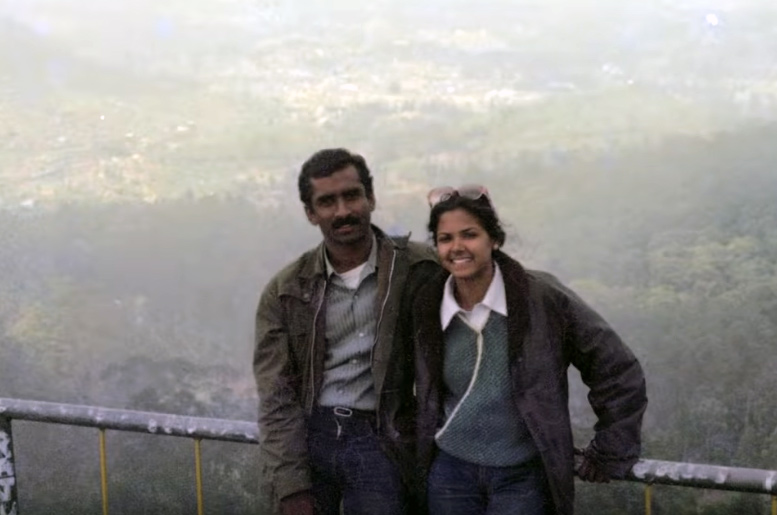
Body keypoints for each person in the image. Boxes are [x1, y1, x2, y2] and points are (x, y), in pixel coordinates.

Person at [413, 185, 648, 515]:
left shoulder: (542, 298)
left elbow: (616, 369)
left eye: (469, 234)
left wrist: (611, 448)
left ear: (493, 239)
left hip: (521, 476)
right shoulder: (427, 304)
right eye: (445, 238)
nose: (457, 247)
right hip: (451, 472)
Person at [253, 148, 438, 515]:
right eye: (327, 202)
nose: (342, 211)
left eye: (351, 196)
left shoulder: (418, 269)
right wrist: (291, 486)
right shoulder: (287, 290)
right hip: (310, 436)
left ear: (371, 198)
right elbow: (276, 396)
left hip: (381, 439)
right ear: (310, 213)